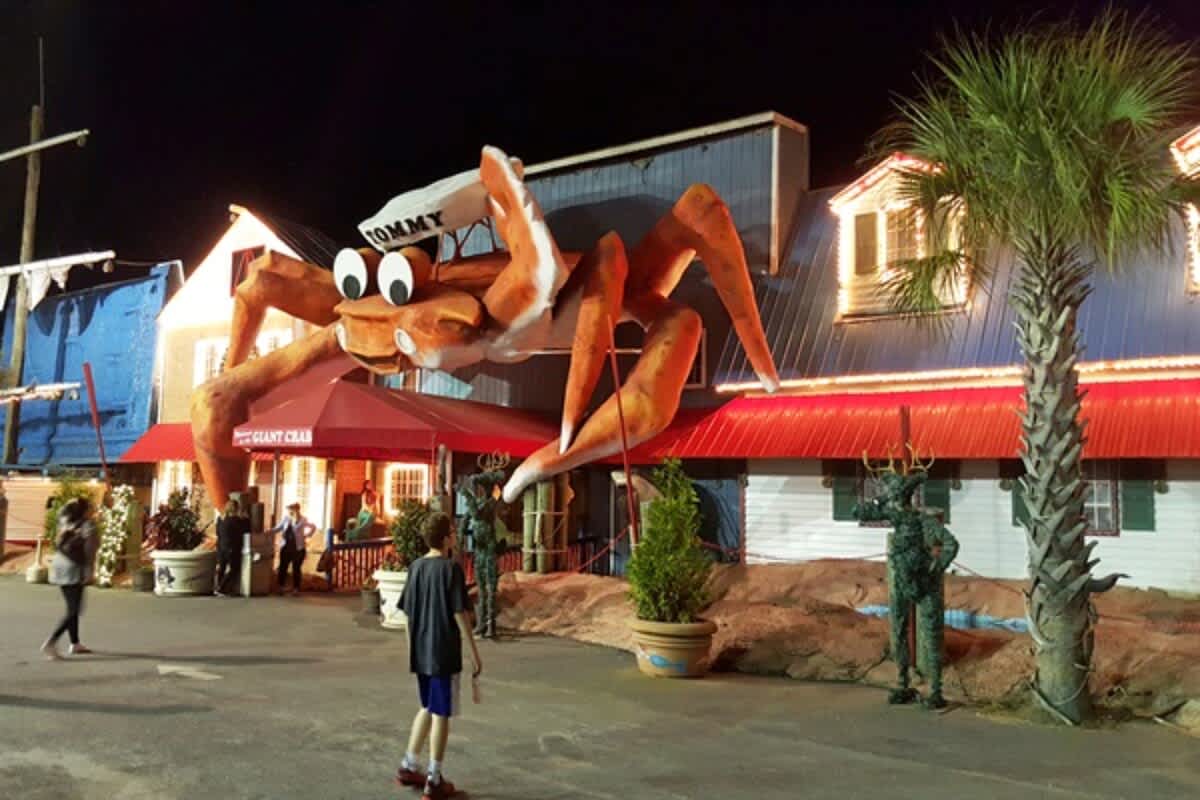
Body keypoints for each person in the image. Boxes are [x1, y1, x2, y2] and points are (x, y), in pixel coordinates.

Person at [395, 513, 481, 800]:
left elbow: (407, 614)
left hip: (421, 651)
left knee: (428, 706)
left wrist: (412, 648)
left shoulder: (416, 567)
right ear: (445, 538)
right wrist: (474, 653)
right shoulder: (450, 569)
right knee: (441, 712)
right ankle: (434, 777)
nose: (455, 536)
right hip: (443, 651)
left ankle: (409, 764)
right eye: (453, 532)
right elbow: (459, 613)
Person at [42, 497, 99, 660]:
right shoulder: (88, 525)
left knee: (71, 607)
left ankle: (75, 643)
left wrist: (72, 502)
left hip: (59, 562)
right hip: (74, 567)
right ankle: (51, 642)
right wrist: (89, 571)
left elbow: (63, 510)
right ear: (85, 511)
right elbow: (89, 551)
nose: (94, 509)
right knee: (74, 609)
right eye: (91, 507)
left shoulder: (66, 520)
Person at [269, 502, 316, 595]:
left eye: (291, 510)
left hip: (298, 548)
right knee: (283, 567)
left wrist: (307, 535)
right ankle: (280, 587)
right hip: (286, 546)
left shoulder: (303, 519)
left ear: (296, 510)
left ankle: (296, 589)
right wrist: (270, 531)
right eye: (289, 510)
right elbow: (278, 528)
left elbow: (313, 527)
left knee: (296, 568)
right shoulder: (286, 519)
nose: (289, 512)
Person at [215, 497, 250, 596]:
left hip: (221, 546)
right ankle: (222, 588)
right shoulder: (236, 520)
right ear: (236, 508)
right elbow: (246, 530)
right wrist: (246, 518)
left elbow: (217, 533)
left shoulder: (220, 519)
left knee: (222, 568)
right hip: (232, 547)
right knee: (234, 569)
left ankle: (218, 587)